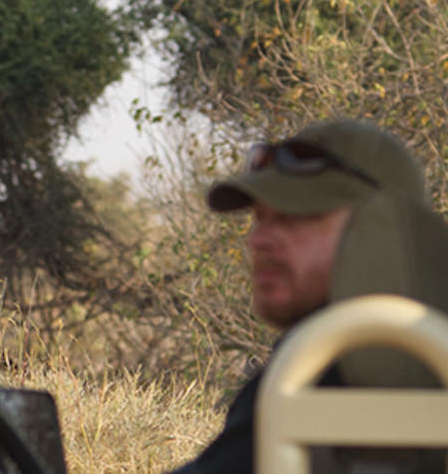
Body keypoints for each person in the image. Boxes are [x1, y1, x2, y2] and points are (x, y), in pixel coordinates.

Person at [169, 119, 430, 474]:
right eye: (260, 218)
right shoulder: (417, 348)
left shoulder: (321, 367)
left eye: (296, 216)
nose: (257, 240)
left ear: (383, 227)